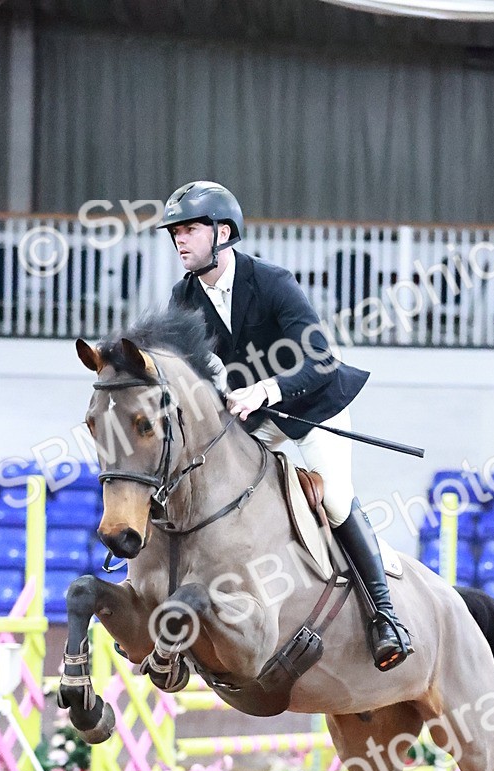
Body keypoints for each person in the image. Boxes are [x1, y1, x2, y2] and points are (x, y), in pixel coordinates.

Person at [160, 180, 412, 672]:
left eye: (189, 229)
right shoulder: (184, 296)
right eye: (176, 232)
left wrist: (265, 389)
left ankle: (385, 614)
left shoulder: (272, 281)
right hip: (254, 415)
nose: (180, 240)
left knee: (335, 496)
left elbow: (320, 358)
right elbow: (182, 369)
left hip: (313, 406)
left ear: (223, 232)